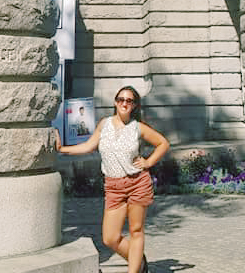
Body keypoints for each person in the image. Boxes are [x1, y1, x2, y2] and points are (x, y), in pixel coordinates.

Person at [56, 86, 169, 273]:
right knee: (110, 237)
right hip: (114, 186)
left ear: (134, 105)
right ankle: (139, 261)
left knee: (136, 230)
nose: (124, 103)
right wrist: (62, 149)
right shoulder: (104, 124)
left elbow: (163, 143)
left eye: (129, 100)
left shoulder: (137, 128)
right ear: (115, 102)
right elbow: (88, 146)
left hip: (137, 183)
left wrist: (148, 162)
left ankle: (134, 270)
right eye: (121, 99)